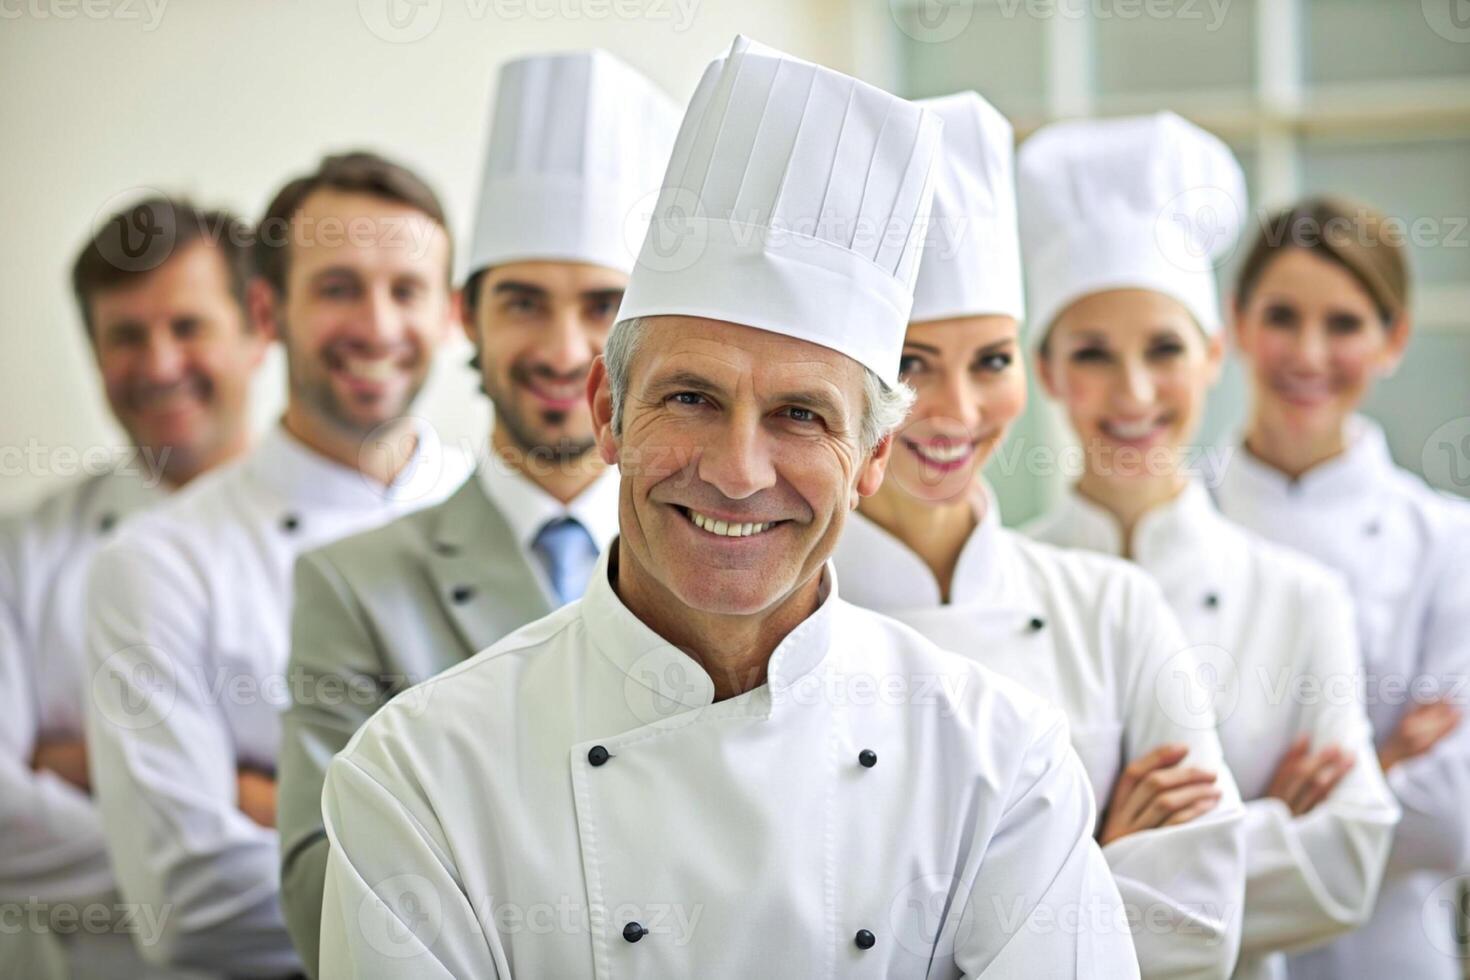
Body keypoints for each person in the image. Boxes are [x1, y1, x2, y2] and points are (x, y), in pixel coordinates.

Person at [317, 36, 1140, 979]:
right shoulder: (421, 775)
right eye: (692, 398)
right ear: (607, 413)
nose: (740, 472)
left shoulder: (1002, 766)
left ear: (873, 456)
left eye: (801, 415)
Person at [276, 50, 679, 975]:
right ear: (468, 315)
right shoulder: (353, 586)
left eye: (602, 305)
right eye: (522, 302)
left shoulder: (725, 560)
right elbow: (320, 896)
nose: (562, 347)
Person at [831, 92, 1246, 979]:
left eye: (991, 360)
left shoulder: (1112, 607)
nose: (959, 411)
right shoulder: (783, 617)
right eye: (911, 364)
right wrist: (1090, 864)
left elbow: (1202, 919)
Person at [1018, 114, 1401, 979]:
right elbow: (957, 884)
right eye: (1092, 354)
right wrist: (1257, 824)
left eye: (1164, 348)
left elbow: (1347, 864)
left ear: (1214, 356)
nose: (1136, 390)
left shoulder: (1299, 597)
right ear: (1046, 372)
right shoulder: (1004, 583)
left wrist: (1082, 864)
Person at [83, 153, 470, 977]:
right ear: (267, 310)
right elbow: (190, 905)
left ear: (450, 315)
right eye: (337, 288)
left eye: (406, 289)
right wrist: (492, 891)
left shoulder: (525, 524)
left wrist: (287, 810)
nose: (375, 325)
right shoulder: (155, 565)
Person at [1, 197, 268, 980]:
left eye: (186, 327)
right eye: (125, 335)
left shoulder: (347, 539)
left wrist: (102, 767)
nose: (157, 365)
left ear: (257, 328)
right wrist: (240, 807)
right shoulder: (21, 552)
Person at [1214, 197, 1470, 980]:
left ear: (1393, 338)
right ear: (1236, 324)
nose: (1309, 352)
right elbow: (1127, 810)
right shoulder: (1173, 519)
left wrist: (1246, 818)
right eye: (1282, 315)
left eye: (1346, 324)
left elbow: (1454, 816)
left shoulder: (1449, 540)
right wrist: (1382, 766)